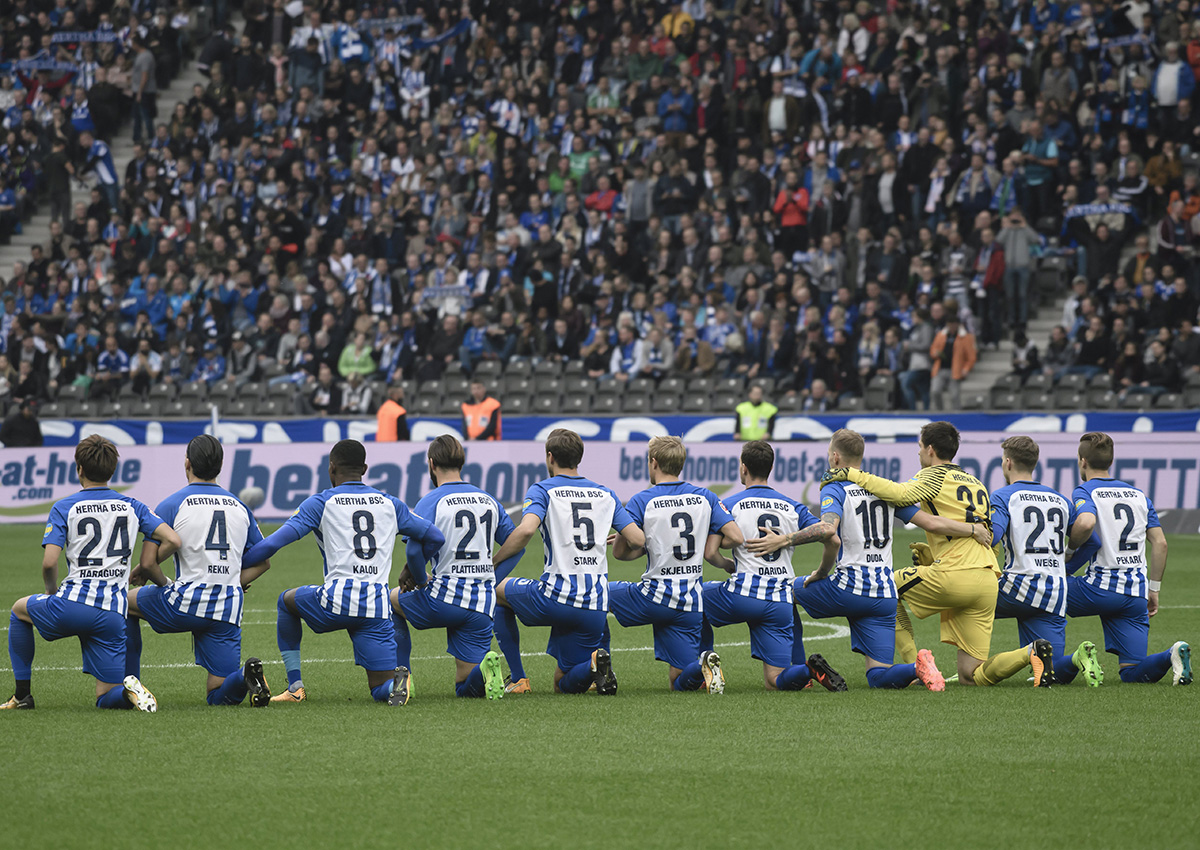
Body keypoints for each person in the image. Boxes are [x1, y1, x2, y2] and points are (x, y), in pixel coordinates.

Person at [821, 421, 1053, 687]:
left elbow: (900, 493)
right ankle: (1029, 652)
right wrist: (934, 556)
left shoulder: (935, 475)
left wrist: (851, 473)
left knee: (885, 586)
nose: (918, 453)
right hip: (988, 578)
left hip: (956, 575)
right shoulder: (976, 483)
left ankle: (914, 664)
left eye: (920, 447)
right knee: (971, 675)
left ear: (931, 449)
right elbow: (988, 537)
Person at [241, 439, 445, 704]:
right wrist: (412, 570)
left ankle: (295, 687)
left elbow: (272, 544)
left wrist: (238, 566)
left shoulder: (320, 503)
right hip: (376, 607)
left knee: (286, 602)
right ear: (365, 468)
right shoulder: (390, 503)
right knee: (379, 688)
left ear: (331, 468)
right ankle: (398, 682)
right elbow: (435, 537)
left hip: (335, 601)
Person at [790, 430, 986, 689]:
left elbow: (828, 528)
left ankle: (798, 673)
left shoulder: (835, 488)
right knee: (879, 676)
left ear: (835, 457)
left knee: (783, 592)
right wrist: (973, 529)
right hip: (883, 594)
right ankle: (916, 667)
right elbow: (931, 522)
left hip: (848, 587)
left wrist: (788, 542)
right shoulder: (885, 489)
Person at [3, 435, 179, 710]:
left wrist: (51, 594)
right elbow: (172, 540)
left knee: (18, 611)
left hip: (70, 604)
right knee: (104, 696)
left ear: (80, 469)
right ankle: (127, 694)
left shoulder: (65, 506)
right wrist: (144, 566)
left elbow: (49, 562)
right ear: (113, 470)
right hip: (112, 613)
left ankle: (22, 696)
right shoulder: (133, 506)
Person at [490, 429, 645, 695]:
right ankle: (594, 666)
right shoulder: (605, 493)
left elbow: (526, 530)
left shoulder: (543, 489)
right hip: (595, 605)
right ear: (579, 458)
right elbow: (638, 540)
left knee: (495, 592)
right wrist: (616, 533)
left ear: (550, 457)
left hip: (554, 598)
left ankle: (519, 678)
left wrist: (494, 562)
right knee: (563, 682)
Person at [125, 435, 273, 706]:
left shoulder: (172, 504)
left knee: (122, 604)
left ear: (187, 463)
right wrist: (233, 582)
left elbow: (147, 564)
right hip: (226, 608)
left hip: (184, 602)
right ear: (220, 466)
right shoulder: (240, 507)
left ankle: (130, 686)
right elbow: (263, 561)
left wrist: (165, 583)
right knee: (218, 695)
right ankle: (243, 677)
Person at [700, 439, 846, 692]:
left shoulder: (729, 504)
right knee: (775, 681)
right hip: (780, 599)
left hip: (741, 595)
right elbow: (831, 535)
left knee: (691, 600)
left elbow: (710, 553)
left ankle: (701, 670)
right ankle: (807, 670)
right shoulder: (792, 506)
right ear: (771, 468)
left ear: (743, 468)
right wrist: (815, 565)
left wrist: (726, 564)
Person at [608, 436, 743, 693]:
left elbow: (621, 554)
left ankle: (596, 669)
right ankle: (701, 663)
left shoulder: (642, 500)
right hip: (690, 602)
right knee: (679, 681)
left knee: (595, 595)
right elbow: (736, 537)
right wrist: (709, 540)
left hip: (654, 597)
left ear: (654, 462)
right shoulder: (706, 497)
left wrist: (632, 537)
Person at [391, 436, 516, 701]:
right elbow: (517, 546)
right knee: (465, 686)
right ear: (462, 463)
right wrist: (491, 581)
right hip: (481, 603)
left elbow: (413, 550)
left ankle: (401, 679)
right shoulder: (488, 499)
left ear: (432, 464)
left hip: (442, 598)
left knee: (389, 601)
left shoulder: (432, 500)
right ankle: (484, 669)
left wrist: (422, 582)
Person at [1065, 433, 1191, 685]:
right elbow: (1160, 543)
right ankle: (1171, 655)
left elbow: (1086, 523)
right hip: (1134, 594)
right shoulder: (1138, 495)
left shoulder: (1085, 490)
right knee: (1133, 672)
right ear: (1110, 462)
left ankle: (1057, 663)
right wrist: (1153, 589)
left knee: (1041, 593)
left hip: (1097, 589)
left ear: (1082, 461)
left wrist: (1068, 553)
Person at [986, 436, 1104, 686]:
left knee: (963, 602)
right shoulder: (1060, 499)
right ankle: (1076, 658)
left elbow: (992, 536)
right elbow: (1092, 542)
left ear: (1007, 463)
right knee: (1050, 670)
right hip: (1053, 591)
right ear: (1034, 464)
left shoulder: (1003, 496)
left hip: (1015, 588)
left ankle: (968, 670)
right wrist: (1064, 567)